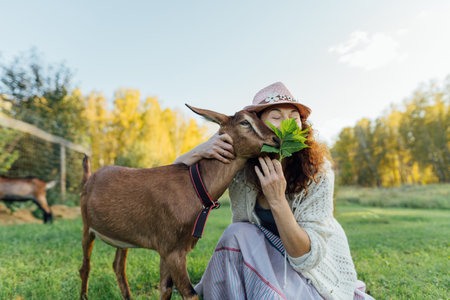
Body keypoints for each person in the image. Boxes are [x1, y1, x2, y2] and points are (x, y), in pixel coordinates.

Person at [174, 82, 374, 300]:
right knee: (237, 232)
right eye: (276, 117)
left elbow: (305, 257)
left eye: (293, 117)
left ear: (302, 125)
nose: (286, 123)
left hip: (308, 270)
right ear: (258, 125)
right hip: (261, 256)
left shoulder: (319, 170)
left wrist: (277, 200)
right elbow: (176, 184)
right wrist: (199, 150)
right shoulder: (242, 163)